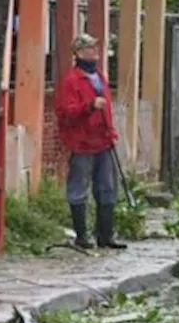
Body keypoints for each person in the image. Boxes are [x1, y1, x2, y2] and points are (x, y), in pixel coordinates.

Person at [53, 34, 127, 250]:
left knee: (107, 187)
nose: (93, 54)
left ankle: (106, 235)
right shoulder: (71, 81)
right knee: (79, 187)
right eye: (88, 50)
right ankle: (82, 235)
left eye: (94, 49)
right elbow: (66, 112)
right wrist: (89, 106)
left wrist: (110, 131)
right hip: (82, 142)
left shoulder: (100, 77)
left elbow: (108, 109)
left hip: (103, 140)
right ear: (77, 53)